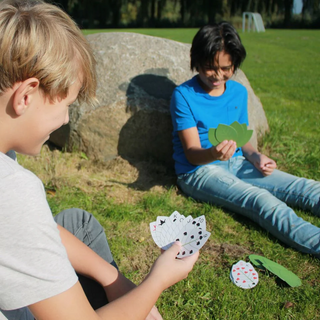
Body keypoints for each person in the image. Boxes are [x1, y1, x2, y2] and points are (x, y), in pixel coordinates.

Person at [0, 1, 199, 319]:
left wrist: (113, 279)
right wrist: (156, 282)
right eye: (65, 105)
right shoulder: (12, 189)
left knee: (78, 223)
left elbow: (33, 229)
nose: (65, 120)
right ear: (26, 96)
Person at [170, 22, 320, 258]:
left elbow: (241, 138)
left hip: (238, 163)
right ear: (196, 61)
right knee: (261, 200)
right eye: (210, 68)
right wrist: (214, 154)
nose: (218, 75)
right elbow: (191, 152)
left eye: (226, 68)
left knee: (305, 187)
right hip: (198, 171)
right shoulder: (183, 95)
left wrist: (255, 155)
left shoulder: (238, 92)